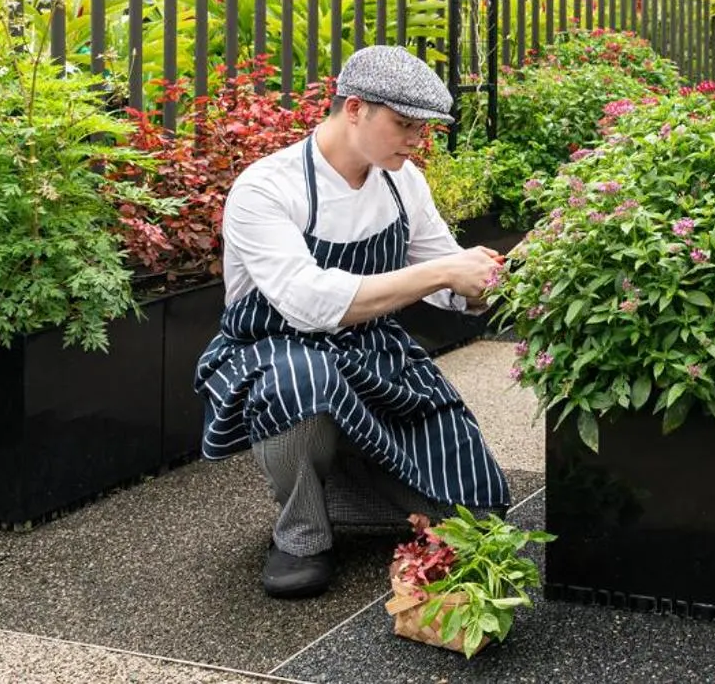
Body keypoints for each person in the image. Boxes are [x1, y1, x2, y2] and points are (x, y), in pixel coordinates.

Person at [195, 45, 512, 599]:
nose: (416, 140)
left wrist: (491, 282)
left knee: (479, 510)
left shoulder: (401, 182)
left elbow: (445, 281)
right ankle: (301, 533)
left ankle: (338, 487)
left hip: (371, 349)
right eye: (404, 124)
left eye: (423, 128)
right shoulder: (267, 188)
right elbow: (310, 305)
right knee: (303, 379)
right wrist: (442, 270)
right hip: (273, 348)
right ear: (355, 108)